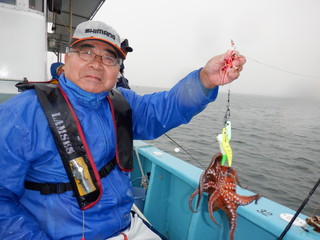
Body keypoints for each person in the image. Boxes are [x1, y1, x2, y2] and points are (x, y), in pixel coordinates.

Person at [0, 20, 245, 240]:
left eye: (109, 58)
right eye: (86, 52)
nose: (96, 64)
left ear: (118, 70)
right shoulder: (19, 114)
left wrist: (206, 79)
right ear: (67, 58)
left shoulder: (121, 102)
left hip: (126, 225)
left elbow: (164, 108)